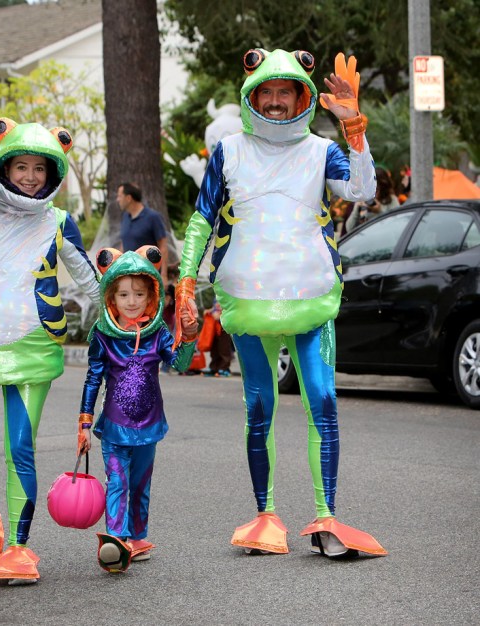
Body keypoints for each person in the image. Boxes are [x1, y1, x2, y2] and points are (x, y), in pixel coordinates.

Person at [174, 49, 387, 558]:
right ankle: (265, 514)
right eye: (265, 92)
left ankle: (326, 515)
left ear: (301, 97)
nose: (273, 101)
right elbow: (203, 218)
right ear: (251, 96)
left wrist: (353, 125)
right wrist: (185, 281)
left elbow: (363, 187)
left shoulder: (320, 149)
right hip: (248, 304)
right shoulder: (228, 150)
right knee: (259, 407)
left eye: (284, 92)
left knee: (324, 403)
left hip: (310, 300)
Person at [0, 118, 100, 584]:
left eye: (39, 169)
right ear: (4, 166)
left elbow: (89, 280)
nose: (29, 176)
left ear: (53, 173)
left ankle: (18, 548)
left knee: (20, 449)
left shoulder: (61, 223)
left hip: (32, 351)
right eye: (21, 165)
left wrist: (127, 310)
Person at [76, 246, 198, 572]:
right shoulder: (103, 335)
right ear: (111, 298)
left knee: (141, 484)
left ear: (151, 296)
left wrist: (188, 337)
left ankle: (138, 537)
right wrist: (84, 424)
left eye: (139, 294)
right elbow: (93, 379)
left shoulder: (157, 333)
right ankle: (116, 540)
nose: (132, 301)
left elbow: (179, 365)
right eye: (124, 294)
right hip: (114, 427)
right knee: (117, 481)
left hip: (149, 425)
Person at [117, 182, 169, 285]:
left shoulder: (153, 217)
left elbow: (163, 246)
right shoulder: (125, 217)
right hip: (129, 276)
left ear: (128, 198)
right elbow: (124, 244)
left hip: (149, 278)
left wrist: (164, 275)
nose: (117, 200)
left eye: (119, 196)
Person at [345, 167, 400, 233]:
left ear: (383, 187)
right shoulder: (363, 200)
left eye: (376, 189)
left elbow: (396, 225)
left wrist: (380, 211)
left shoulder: (392, 200)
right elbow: (349, 229)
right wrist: (356, 209)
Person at [200, 299, 234, 377]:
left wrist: (221, 314)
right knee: (214, 347)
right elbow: (215, 306)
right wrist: (210, 311)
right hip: (215, 324)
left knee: (224, 347)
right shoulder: (217, 292)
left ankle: (224, 367)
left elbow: (231, 307)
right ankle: (214, 367)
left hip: (225, 324)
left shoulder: (229, 292)